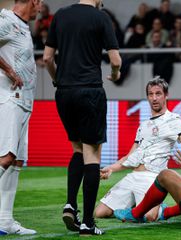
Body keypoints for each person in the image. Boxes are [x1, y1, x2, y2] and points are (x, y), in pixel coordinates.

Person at [43, 0, 122, 236]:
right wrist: (115, 74)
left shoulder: (60, 15)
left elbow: (47, 58)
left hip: (64, 93)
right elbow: (115, 60)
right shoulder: (101, 17)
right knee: (92, 153)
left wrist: (58, 80)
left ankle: (70, 204)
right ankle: (88, 222)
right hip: (90, 91)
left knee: (77, 148)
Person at [95, 76, 181, 221]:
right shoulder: (143, 125)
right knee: (99, 213)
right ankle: (136, 208)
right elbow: (130, 156)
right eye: (151, 94)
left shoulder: (173, 119)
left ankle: (155, 208)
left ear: (166, 96)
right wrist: (111, 168)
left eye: (158, 94)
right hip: (133, 176)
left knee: (149, 216)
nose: (154, 98)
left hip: (152, 177)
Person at [0, 0, 41, 235]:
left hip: (24, 102)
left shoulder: (22, 25)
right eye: (41, 2)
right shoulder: (6, 20)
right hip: (9, 99)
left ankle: (4, 221)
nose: (41, 7)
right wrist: (8, 70)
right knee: (6, 157)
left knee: (16, 162)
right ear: (33, 0)